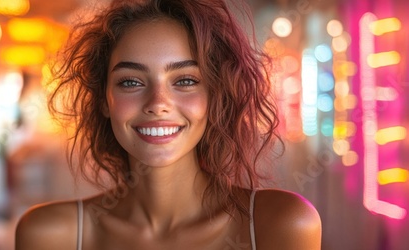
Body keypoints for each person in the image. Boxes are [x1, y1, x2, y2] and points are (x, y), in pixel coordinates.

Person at [16, 0, 322, 249]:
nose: (157, 102)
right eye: (131, 82)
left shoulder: (281, 224)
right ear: (103, 100)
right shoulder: (49, 234)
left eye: (186, 80)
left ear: (214, 96)